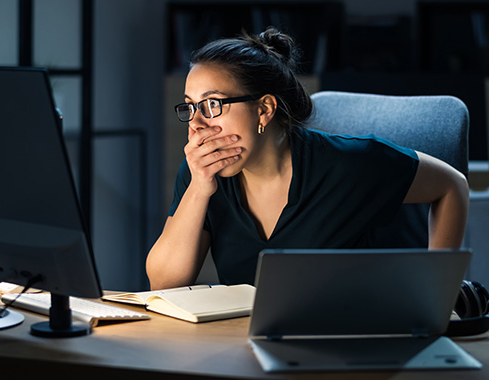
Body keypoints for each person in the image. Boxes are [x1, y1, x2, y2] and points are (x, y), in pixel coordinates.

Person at [146, 28, 469, 290]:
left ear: (265, 109)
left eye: (212, 104)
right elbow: (164, 283)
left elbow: (451, 185)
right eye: (190, 107)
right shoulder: (202, 174)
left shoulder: (350, 163)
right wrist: (200, 189)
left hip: (348, 335)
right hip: (242, 342)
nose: (197, 124)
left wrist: (439, 289)